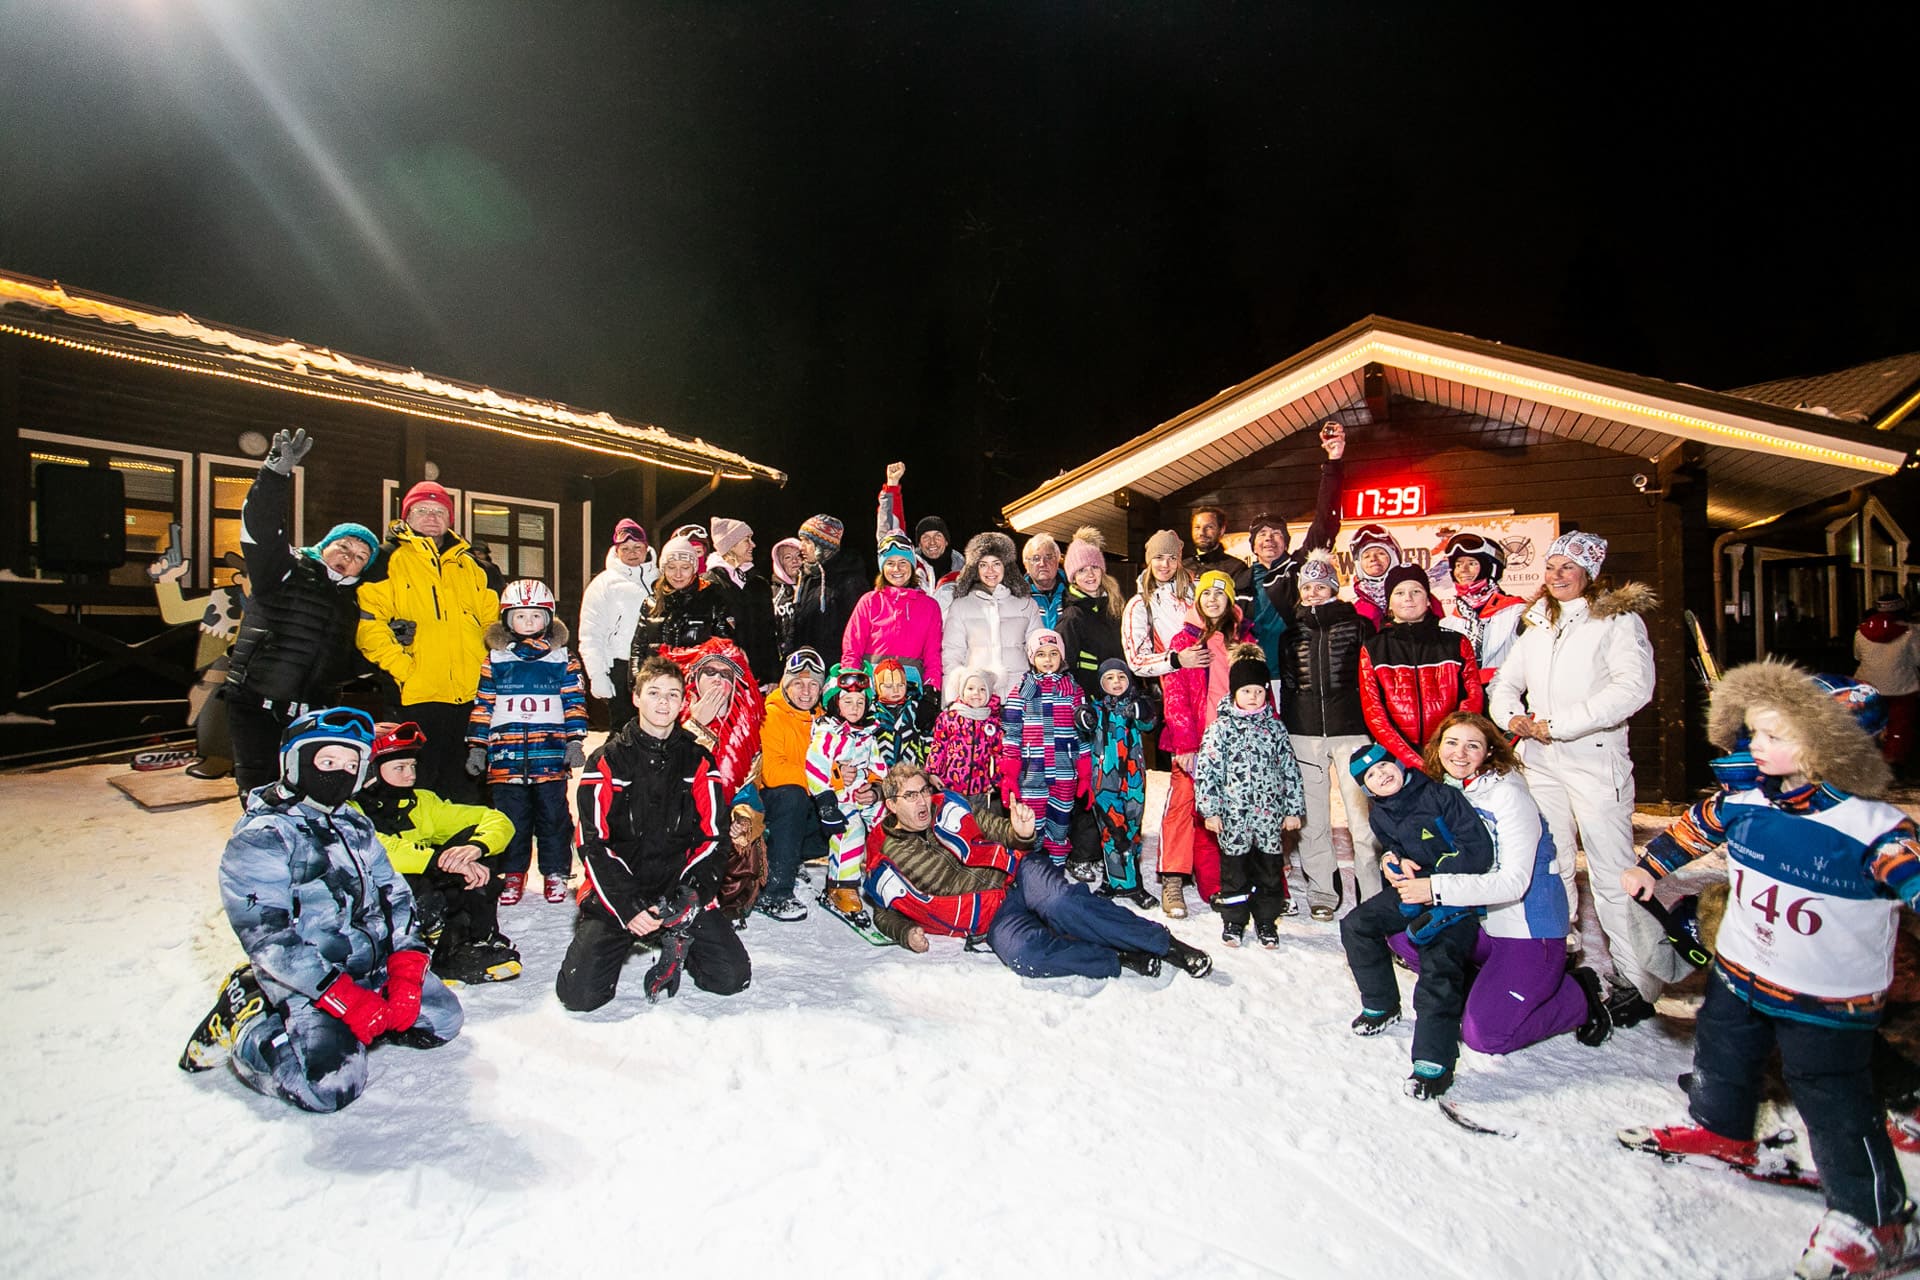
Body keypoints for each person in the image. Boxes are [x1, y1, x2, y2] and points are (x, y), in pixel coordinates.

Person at [1620, 662, 1920, 1280]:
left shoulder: (1872, 828)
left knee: (1834, 1095)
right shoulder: (1748, 798)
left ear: (1830, 745)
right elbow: (1696, 826)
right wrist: (1653, 864)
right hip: (1740, 965)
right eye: (1754, 732)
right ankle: (1721, 1130)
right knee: (1723, 1050)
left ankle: (1878, 1218)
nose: (1756, 746)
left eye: (1774, 736)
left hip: (1827, 996)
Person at [182, 707, 461, 1111]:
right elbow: (268, 937)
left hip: (371, 964)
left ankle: (359, 1022)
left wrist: (405, 970)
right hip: (309, 980)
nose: (340, 774)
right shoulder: (264, 836)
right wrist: (344, 998)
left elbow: (394, 896)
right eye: (327, 762)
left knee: (443, 1022)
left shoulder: (355, 824)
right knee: (330, 1088)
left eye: (351, 765)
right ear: (295, 763)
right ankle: (246, 1018)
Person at [1488, 530, 1673, 1027]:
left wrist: (1561, 724)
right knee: (1553, 863)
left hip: (1594, 758)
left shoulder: (1615, 620)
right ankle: (1561, 957)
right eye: (1551, 568)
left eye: (1568, 567)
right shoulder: (1538, 623)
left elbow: (1634, 688)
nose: (1557, 576)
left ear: (1590, 573)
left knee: (1613, 873)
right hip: (1541, 760)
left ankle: (1637, 980)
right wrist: (1513, 717)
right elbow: (1506, 682)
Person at [1395, 716, 1611, 1071]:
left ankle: (1577, 995)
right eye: (1451, 743)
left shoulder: (1509, 796)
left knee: (1485, 1036)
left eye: (1472, 745)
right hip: (1480, 921)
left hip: (1526, 928)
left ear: (1490, 752)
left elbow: (1513, 883)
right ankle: (1488, 987)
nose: (1459, 753)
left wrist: (1433, 888)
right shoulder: (1450, 789)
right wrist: (1397, 857)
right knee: (1405, 934)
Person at [862, 763, 1212, 980]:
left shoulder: (949, 804)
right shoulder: (885, 854)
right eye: (911, 796)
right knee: (1025, 955)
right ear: (891, 805)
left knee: (1064, 905)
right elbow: (883, 911)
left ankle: (1167, 946)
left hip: (1019, 873)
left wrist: (1022, 833)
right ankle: (1117, 957)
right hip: (989, 914)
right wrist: (905, 932)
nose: (923, 801)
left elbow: (994, 828)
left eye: (924, 791)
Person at [557, 656, 750, 1011]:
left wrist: (691, 894)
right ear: (637, 697)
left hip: (675, 890)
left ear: (684, 702)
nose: (663, 702)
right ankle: (627, 932)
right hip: (619, 894)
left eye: (673, 695)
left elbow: (713, 837)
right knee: (580, 997)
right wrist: (628, 906)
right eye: (654, 692)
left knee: (731, 977)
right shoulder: (607, 760)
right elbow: (592, 842)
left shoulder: (698, 761)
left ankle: (679, 938)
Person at [222, 429, 379, 795]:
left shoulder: (354, 603)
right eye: (343, 547)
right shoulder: (285, 567)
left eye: (359, 557)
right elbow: (260, 527)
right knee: (262, 795)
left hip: (313, 712)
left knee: (312, 794)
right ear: (324, 546)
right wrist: (274, 476)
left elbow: (344, 667)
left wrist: (380, 651)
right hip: (257, 703)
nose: (348, 558)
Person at [1338, 742, 1496, 1099]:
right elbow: (1399, 850)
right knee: (1356, 924)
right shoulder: (1379, 813)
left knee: (1437, 961)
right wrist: (1394, 861)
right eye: (1371, 777)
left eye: (1384, 767)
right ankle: (1381, 1004)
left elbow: (1478, 852)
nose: (1381, 776)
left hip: (1457, 892)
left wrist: (1434, 882)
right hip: (1416, 889)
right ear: (1366, 788)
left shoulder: (1441, 797)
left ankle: (1433, 1061)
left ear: (1398, 764)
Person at [356, 477, 499, 802]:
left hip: (470, 696)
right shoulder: (386, 558)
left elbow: (493, 622)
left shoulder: (471, 566)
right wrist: (405, 668)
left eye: (440, 511)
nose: (432, 517)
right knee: (416, 782)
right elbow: (370, 625)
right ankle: (422, 852)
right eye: (423, 510)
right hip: (415, 695)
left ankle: (467, 849)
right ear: (406, 516)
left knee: (466, 783)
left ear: (450, 519)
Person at [355, 721, 521, 985]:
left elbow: (497, 820)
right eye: (400, 768)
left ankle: (469, 940)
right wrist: (438, 860)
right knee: (418, 880)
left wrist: (474, 848)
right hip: (372, 906)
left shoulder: (421, 801)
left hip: (422, 894)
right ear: (369, 772)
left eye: (412, 766)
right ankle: (436, 949)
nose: (410, 775)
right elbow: (377, 849)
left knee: (472, 854)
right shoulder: (349, 811)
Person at [466, 579, 587, 906]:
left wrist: (574, 740)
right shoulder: (496, 659)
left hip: (548, 752)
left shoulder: (562, 658)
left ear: (548, 620)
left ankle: (556, 871)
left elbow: (574, 700)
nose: (529, 623)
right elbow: (484, 703)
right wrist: (477, 745)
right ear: (508, 620)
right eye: (521, 617)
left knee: (553, 815)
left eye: (536, 616)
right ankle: (513, 872)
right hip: (506, 755)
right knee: (510, 817)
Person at [1279, 549, 1380, 919]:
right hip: (1305, 733)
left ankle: (1372, 895)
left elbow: (1371, 679)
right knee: (1313, 818)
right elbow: (1288, 685)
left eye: (1321, 586)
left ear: (1334, 588)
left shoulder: (1358, 625)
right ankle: (1322, 889)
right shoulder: (1292, 632)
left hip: (1351, 730)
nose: (1313, 593)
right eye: (1307, 587)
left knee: (1361, 820)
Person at [1194, 646, 1306, 947]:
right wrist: (1211, 810)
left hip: (1269, 817)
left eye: (1259, 690)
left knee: (1270, 871)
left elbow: (1290, 770)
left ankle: (1267, 921)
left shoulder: (1275, 729)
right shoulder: (1220, 729)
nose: (1254, 696)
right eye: (1247, 691)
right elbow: (1206, 772)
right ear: (1234, 693)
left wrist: (1293, 810)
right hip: (1234, 817)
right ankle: (1234, 920)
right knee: (1234, 872)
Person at [1156, 570, 1250, 917]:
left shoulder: (1242, 640)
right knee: (1182, 806)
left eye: (1220, 594)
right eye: (1206, 594)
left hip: (1232, 742)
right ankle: (1173, 877)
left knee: (1224, 810)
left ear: (1229, 601)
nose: (1212, 600)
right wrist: (1185, 742)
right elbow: (1175, 695)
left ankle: (1220, 876)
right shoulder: (1183, 641)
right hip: (1195, 739)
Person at [1232, 419, 1347, 688]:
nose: (1269, 539)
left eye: (1276, 534)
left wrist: (1334, 460)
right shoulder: (1240, 580)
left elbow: (1324, 521)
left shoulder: (1298, 567)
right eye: (1262, 534)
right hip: (1255, 678)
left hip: (1298, 674)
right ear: (1253, 544)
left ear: (1286, 542)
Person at [1358, 564, 1483, 770]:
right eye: (1399, 592)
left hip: (1451, 757)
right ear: (1389, 603)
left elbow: (1472, 698)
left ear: (1427, 600)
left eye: (1416, 591)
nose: (1408, 598)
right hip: (1397, 761)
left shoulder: (1456, 642)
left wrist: (1448, 747)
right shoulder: (1374, 647)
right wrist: (1413, 760)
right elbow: (1374, 713)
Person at [150, 549, 249, 779]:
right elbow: (176, 613)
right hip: (222, 669)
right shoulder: (223, 600)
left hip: (263, 672)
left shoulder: (279, 605)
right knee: (215, 708)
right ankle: (218, 759)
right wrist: (166, 580)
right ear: (239, 578)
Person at [999, 629, 1087, 869]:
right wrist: (1009, 771)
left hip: (1064, 773)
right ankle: (1029, 871)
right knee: (1031, 825)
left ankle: (1056, 867)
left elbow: (1083, 731)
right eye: (1040, 654)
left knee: (1060, 824)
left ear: (1062, 657)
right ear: (1031, 658)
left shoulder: (1073, 691)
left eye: (1053, 653)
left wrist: (1085, 768)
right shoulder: (1022, 691)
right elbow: (1012, 732)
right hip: (1032, 775)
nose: (1047, 660)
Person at [806, 665, 887, 920]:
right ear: (835, 704)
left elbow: (879, 767)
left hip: (863, 796)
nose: (854, 707)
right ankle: (841, 886)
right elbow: (815, 766)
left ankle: (886, 878)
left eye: (860, 702)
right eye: (848, 701)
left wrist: (875, 789)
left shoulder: (868, 736)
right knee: (851, 829)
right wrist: (829, 796)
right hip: (839, 798)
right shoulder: (827, 733)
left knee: (888, 825)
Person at [753, 648, 828, 922]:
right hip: (772, 804)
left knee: (844, 811)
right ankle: (775, 892)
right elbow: (773, 772)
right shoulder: (772, 714)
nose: (805, 691)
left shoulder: (824, 718)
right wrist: (825, 780)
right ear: (786, 684)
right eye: (798, 683)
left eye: (813, 684)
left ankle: (790, 858)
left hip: (808, 797)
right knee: (793, 797)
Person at [1080, 660, 1157, 907]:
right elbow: (1082, 722)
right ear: (1102, 683)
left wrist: (1143, 710)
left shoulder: (1135, 705)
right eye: (1110, 678)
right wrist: (1083, 717)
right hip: (1104, 778)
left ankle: (1133, 883)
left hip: (1133, 779)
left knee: (1132, 826)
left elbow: (1149, 721)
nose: (1116, 682)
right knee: (1112, 827)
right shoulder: (1097, 708)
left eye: (1121, 677)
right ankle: (1113, 881)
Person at [577, 518, 656, 733]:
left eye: (637, 547)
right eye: (625, 548)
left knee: (655, 727)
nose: (632, 553)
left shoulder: (660, 580)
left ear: (646, 548)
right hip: (620, 666)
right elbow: (590, 633)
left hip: (655, 664)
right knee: (624, 730)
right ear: (616, 550)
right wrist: (598, 675)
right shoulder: (603, 584)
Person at [943, 531, 1041, 700]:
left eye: (996, 563)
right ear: (975, 568)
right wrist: (957, 694)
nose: (990, 570)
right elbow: (952, 654)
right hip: (977, 698)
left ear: (1006, 566)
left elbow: (1038, 651)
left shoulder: (1026, 604)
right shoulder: (960, 606)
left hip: (1018, 695)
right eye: (983, 564)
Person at [841, 531, 944, 692]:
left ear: (912, 565)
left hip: (911, 687)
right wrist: (852, 683)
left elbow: (933, 655)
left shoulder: (929, 606)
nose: (897, 569)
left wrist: (932, 688)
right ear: (883, 568)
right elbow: (852, 649)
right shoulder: (869, 601)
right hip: (873, 686)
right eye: (890, 563)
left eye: (903, 562)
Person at [671, 639, 765, 803]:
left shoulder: (745, 731)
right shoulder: (671, 715)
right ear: (696, 677)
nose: (717, 679)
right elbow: (669, 776)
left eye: (726, 674)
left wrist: (742, 819)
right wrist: (696, 726)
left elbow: (748, 792)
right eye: (710, 671)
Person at [1433, 531, 1527, 685]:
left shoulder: (1516, 612)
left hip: (1508, 696)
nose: (1463, 570)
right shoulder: (1446, 625)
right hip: (1466, 702)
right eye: (1458, 564)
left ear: (1490, 568)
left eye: (1471, 563)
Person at [630, 534, 737, 660]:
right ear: (663, 570)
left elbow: (727, 648)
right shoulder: (651, 603)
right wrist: (638, 679)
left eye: (685, 568)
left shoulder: (713, 600)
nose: (678, 574)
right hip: (658, 677)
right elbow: (637, 650)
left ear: (694, 568)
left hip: (695, 677)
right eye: (671, 567)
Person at [1054, 526, 1126, 702]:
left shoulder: (1115, 606)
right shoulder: (1073, 616)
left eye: (1094, 567)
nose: (1090, 574)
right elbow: (1065, 667)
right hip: (1092, 702)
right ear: (1074, 577)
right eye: (1082, 570)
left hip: (1121, 697)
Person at [705, 517, 777, 685]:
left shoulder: (759, 583)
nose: (753, 545)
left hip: (760, 679)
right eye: (747, 540)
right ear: (730, 545)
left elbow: (769, 635)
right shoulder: (709, 584)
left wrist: (773, 676)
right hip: (725, 677)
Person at [876, 461, 963, 598]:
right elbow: (890, 533)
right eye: (925, 538)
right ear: (919, 544)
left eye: (937, 536)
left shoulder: (964, 573)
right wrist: (892, 485)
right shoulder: (910, 568)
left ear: (947, 541)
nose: (932, 542)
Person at [1121, 528, 1192, 690]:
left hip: (1204, 683)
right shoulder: (1139, 605)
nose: (1165, 565)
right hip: (1170, 688)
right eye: (1159, 557)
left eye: (1172, 558)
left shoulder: (1197, 594)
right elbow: (1136, 660)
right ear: (1149, 560)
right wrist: (1176, 660)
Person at [791, 514, 869, 662]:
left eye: (807, 541)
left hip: (835, 669)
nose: (801, 547)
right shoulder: (807, 578)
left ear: (823, 546)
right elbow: (798, 626)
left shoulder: (850, 581)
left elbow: (857, 632)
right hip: (806, 668)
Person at [1856, 593, 1918, 770]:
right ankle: (1893, 763)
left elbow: (1857, 655)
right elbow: (1917, 659)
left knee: (1867, 724)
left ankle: (1867, 762)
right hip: (1902, 687)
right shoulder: (1911, 632)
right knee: (1900, 726)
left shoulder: (1861, 632)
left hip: (1867, 685)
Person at [926, 667, 1005, 804]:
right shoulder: (949, 717)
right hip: (951, 784)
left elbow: (998, 754)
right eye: (970, 688)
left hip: (979, 788)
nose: (976, 693)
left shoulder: (993, 723)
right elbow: (938, 745)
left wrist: (996, 781)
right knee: (952, 820)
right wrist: (933, 772)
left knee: (976, 822)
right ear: (962, 690)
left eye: (982, 689)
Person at [719, 804, 769, 927]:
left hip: (728, 813)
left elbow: (747, 796)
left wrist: (742, 821)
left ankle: (732, 906)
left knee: (746, 843)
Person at [769, 536, 806, 661]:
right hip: (780, 659)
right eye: (788, 557)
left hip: (808, 656)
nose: (795, 561)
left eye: (799, 556)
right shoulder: (771, 593)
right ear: (779, 563)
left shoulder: (816, 590)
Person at [1023, 533, 1068, 630]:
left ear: (1057, 561)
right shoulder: (1017, 598)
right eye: (1036, 558)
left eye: (1049, 557)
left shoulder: (1073, 594)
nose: (1042, 564)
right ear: (1026, 565)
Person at [1185, 504, 1243, 576]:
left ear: (1221, 530)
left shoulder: (1235, 568)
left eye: (1209, 527)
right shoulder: (1183, 567)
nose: (1201, 532)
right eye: (1197, 527)